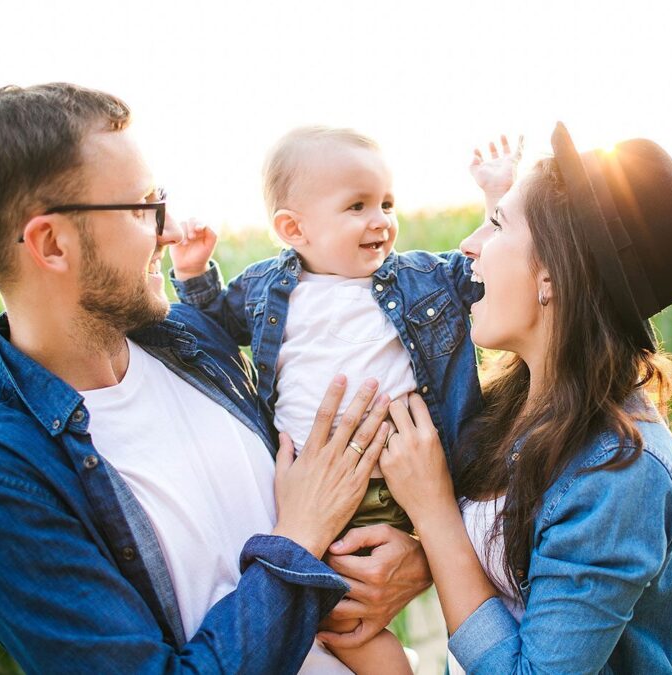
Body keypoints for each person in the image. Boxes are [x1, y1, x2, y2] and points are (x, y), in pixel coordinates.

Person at [0, 82, 430, 674]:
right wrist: (298, 539)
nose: (167, 231)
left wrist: (413, 560)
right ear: (52, 244)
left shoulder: (194, 341)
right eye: (143, 207)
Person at [168, 125, 520, 673]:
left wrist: (497, 198)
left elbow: (483, 272)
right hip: (309, 489)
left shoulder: (417, 280)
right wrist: (192, 273)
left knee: (349, 617)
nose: (380, 219)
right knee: (343, 623)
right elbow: (212, 327)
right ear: (293, 228)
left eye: (386, 202)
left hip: (399, 480)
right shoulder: (267, 289)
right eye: (357, 206)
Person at [375, 122, 672, 672]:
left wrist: (434, 517)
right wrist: (418, 556)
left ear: (551, 274)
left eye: (498, 224)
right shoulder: (520, 399)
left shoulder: (621, 472)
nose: (469, 245)